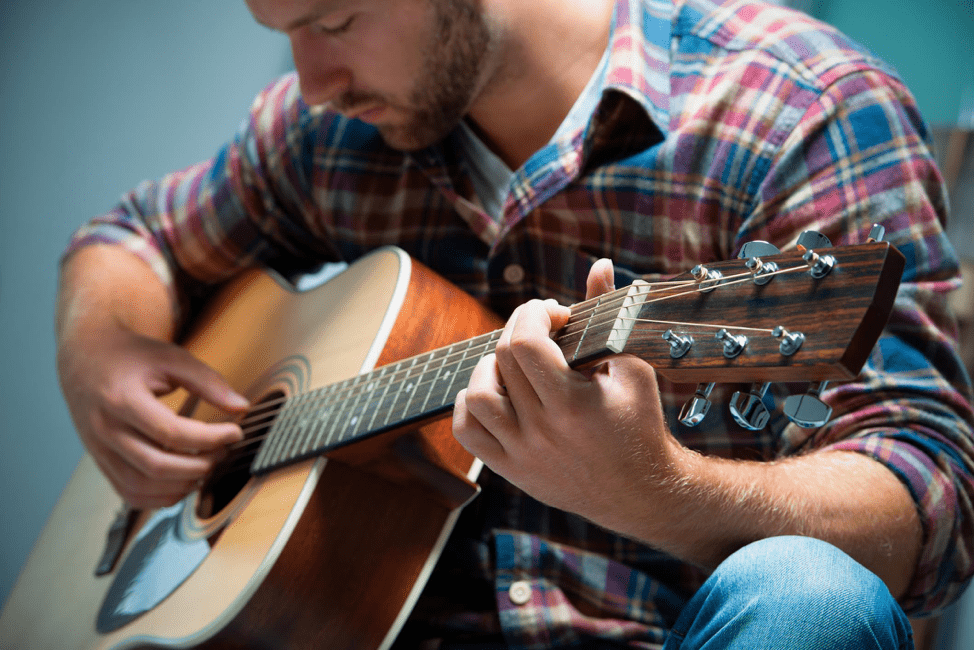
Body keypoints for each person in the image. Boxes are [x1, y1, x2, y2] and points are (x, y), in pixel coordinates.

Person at [55, 0, 974, 647]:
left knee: (811, 597)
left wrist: (659, 491)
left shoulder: (799, 106)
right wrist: (100, 351)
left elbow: (927, 494)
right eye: (286, 31)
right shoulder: (324, 133)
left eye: (334, 22)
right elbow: (132, 237)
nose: (315, 79)